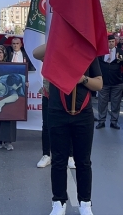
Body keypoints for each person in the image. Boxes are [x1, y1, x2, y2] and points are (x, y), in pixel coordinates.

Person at [32, 44, 103, 215]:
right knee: (58, 160)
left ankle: (85, 203)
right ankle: (58, 202)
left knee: (83, 161)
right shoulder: (55, 50)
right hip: (57, 112)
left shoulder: (87, 53)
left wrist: (83, 79)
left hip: (83, 114)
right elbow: (36, 53)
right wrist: (59, 38)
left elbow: (99, 84)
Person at [96, 35, 123, 129]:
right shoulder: (100, 53)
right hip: (104, 82)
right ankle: (101, 120)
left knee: (116, 102)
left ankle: (114, 121)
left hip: (116, 82)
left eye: (113, 41)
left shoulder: (120, 52)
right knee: (102, 102)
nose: (111, 43)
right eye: (109, 42)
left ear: (115, 42)